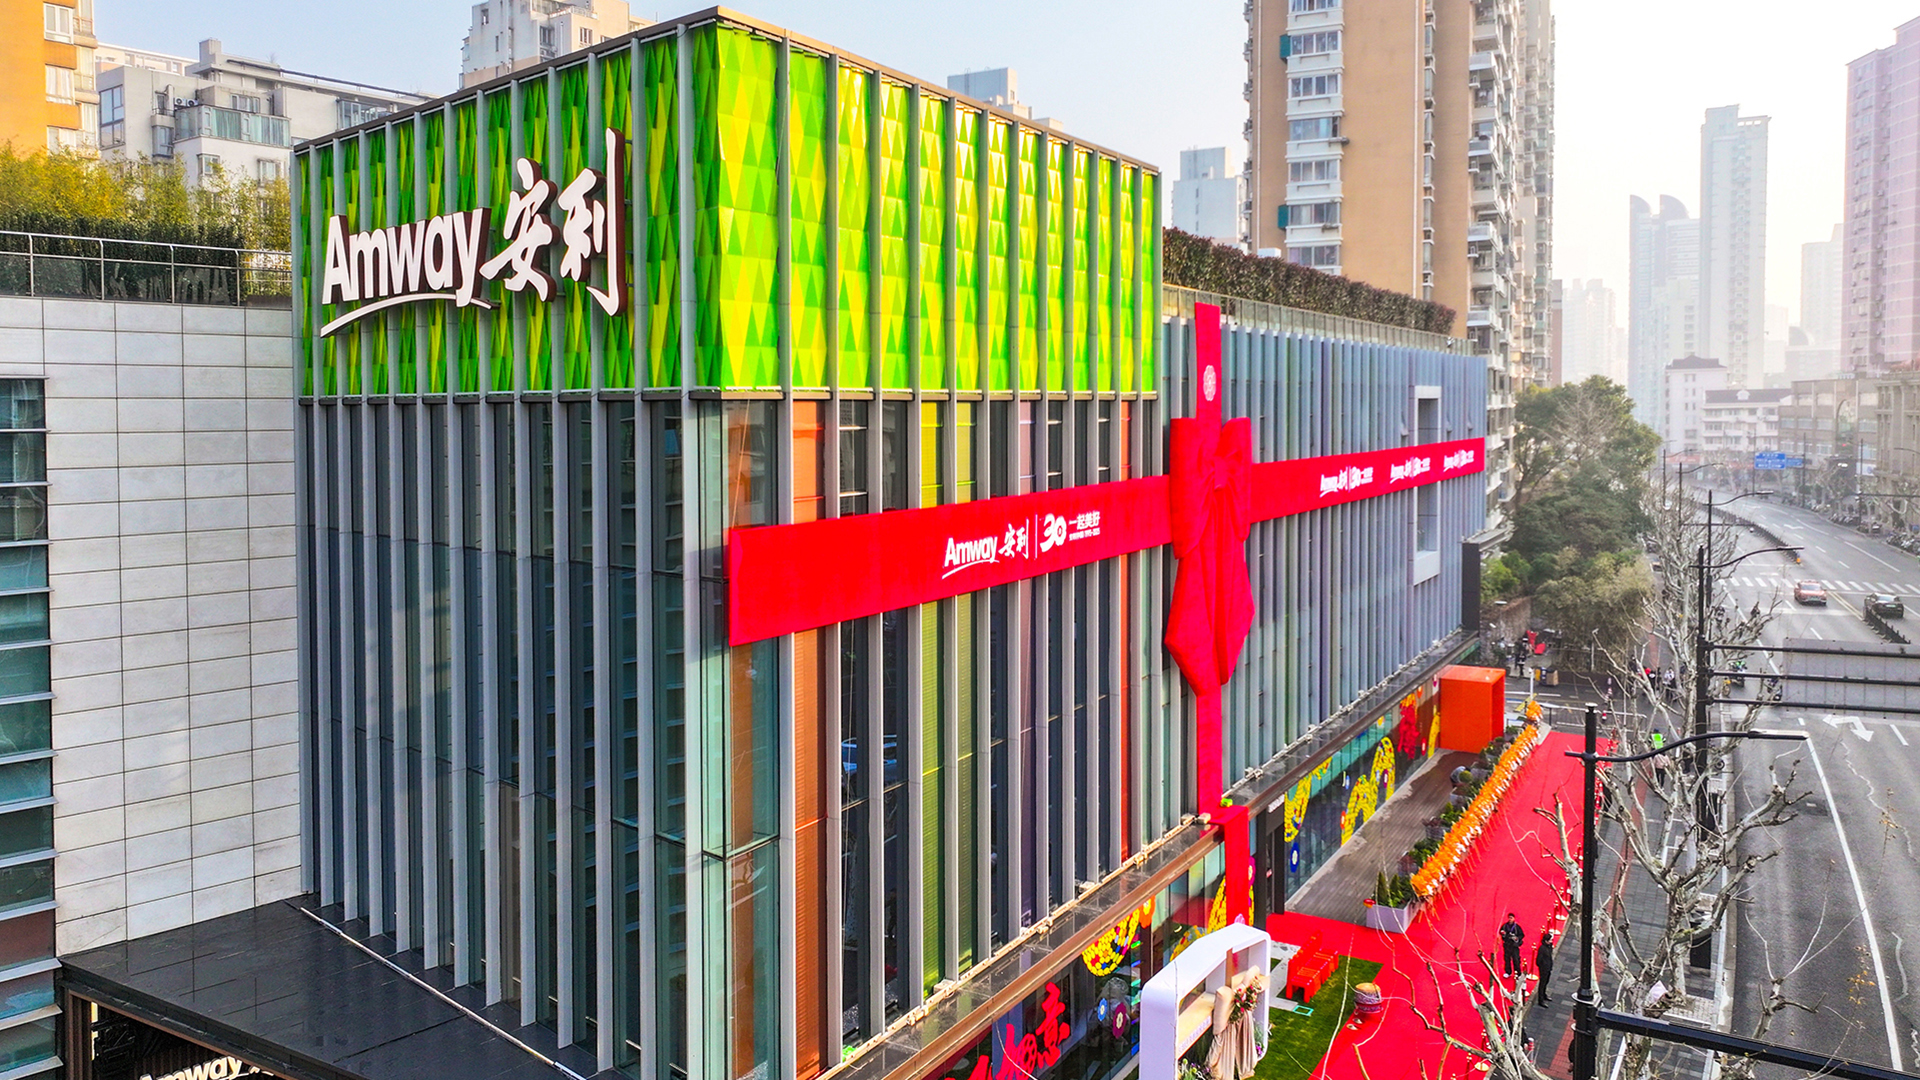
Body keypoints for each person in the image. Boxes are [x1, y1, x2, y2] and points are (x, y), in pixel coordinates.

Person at [1500, 912, 1525, 978]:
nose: (1510, 919)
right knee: (1507, 959)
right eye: (1509, 918)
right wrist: (1503, 933)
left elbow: (1522, 935)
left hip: (1514, 946)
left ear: (1514, 918)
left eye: (1511, 918)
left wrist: (1517, 938)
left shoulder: (1517, 927)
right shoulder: (1505, 926)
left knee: (1516, 959)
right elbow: (1501, 932)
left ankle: (1518, 973)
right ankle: (1508, 972)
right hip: (1507, 945)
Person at [1535, 930, 1556, 1004]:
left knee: (1546, 982)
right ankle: (1540, 1000)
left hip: (1548, 967)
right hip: (1544, 968)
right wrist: (1542, 966)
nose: (1551, 941)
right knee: (1542, 983)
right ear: (1546, 941)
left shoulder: (1549, 946)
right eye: (1550, 940)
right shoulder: (1542, 949)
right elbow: (1538, 960)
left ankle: (1544, 995)